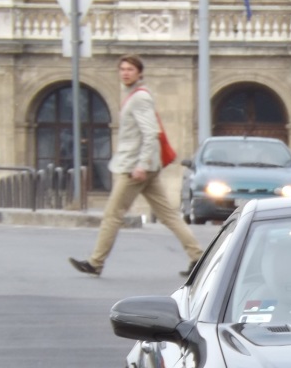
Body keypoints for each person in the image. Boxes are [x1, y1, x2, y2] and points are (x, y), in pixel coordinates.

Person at [69, 54, 203, 277]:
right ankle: (198, 257)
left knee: (112, 214)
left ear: (139, 73)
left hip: (135, 169)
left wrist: (141, 165)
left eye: (130, 69)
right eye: (122, 69)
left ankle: (95, 262)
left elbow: (151, 133)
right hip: (144, 167)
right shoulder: (133, 95)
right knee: (169, 215)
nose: (125, 73)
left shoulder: (140, 98)